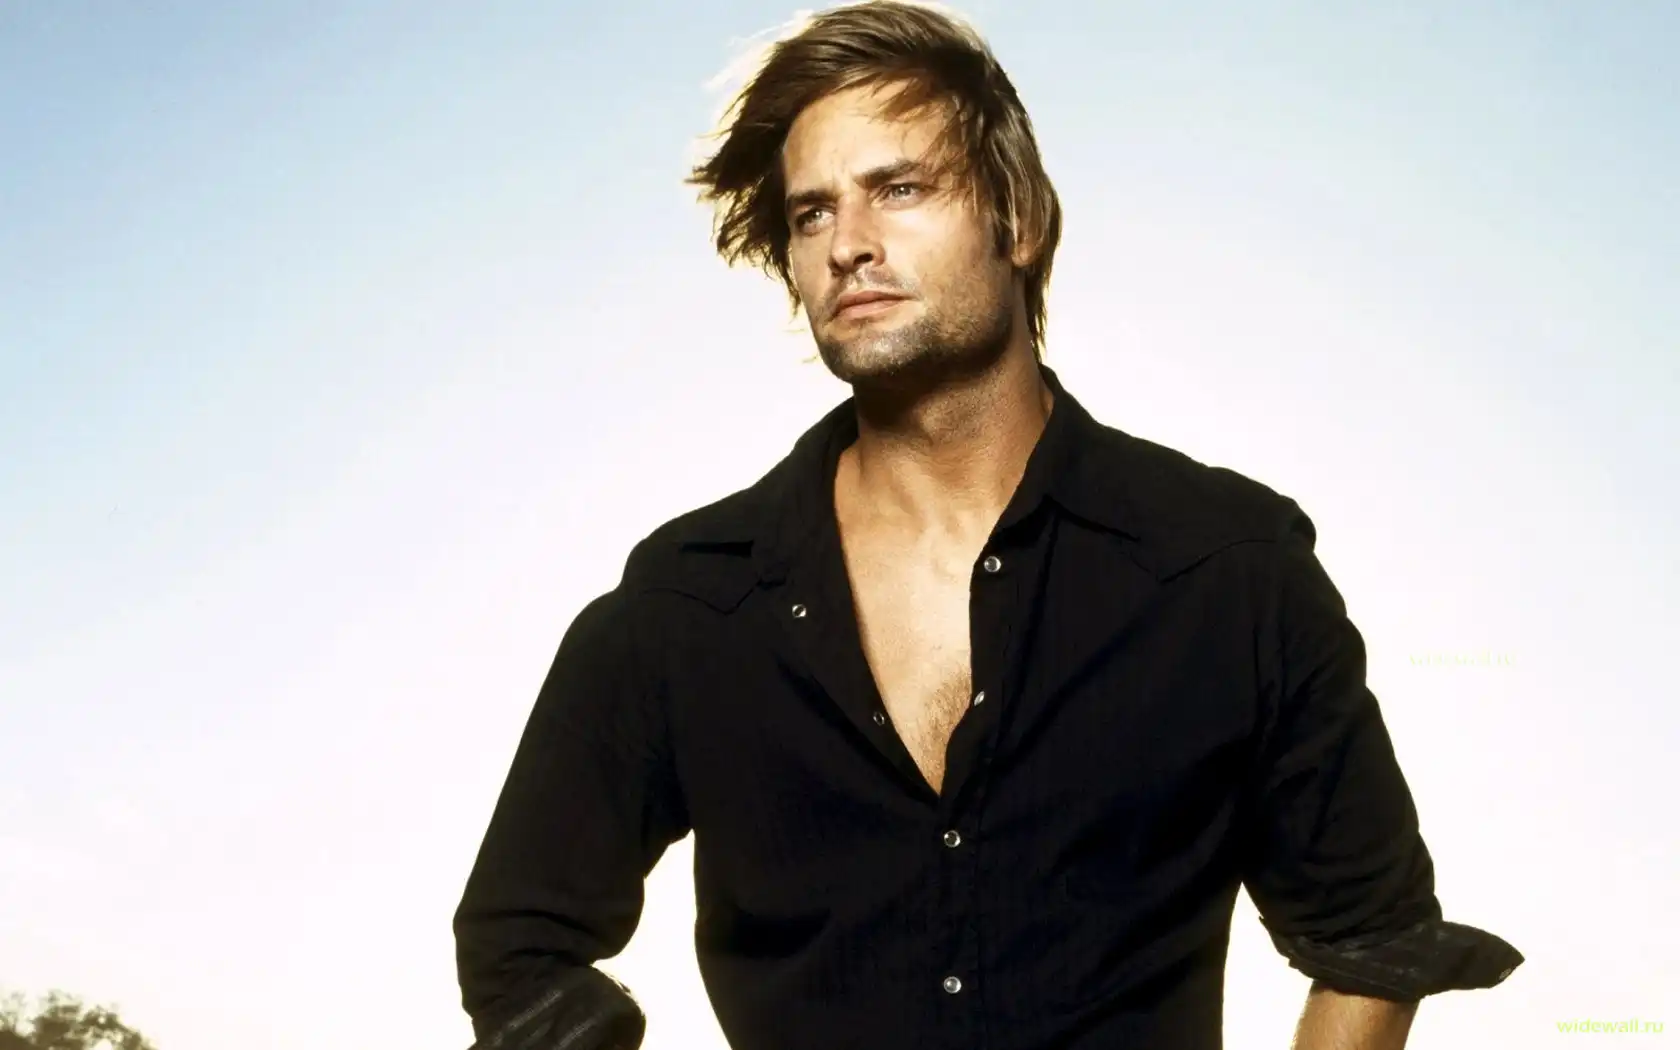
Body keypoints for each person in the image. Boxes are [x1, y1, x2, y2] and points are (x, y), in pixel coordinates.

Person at [452, 2, 1522, 1048]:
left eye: (899, 189)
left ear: (1020, 219)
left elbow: (1372, 937)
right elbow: (518, 953)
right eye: (812, 213)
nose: (847, 245)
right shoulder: (688, 605)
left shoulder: (1225, 567)